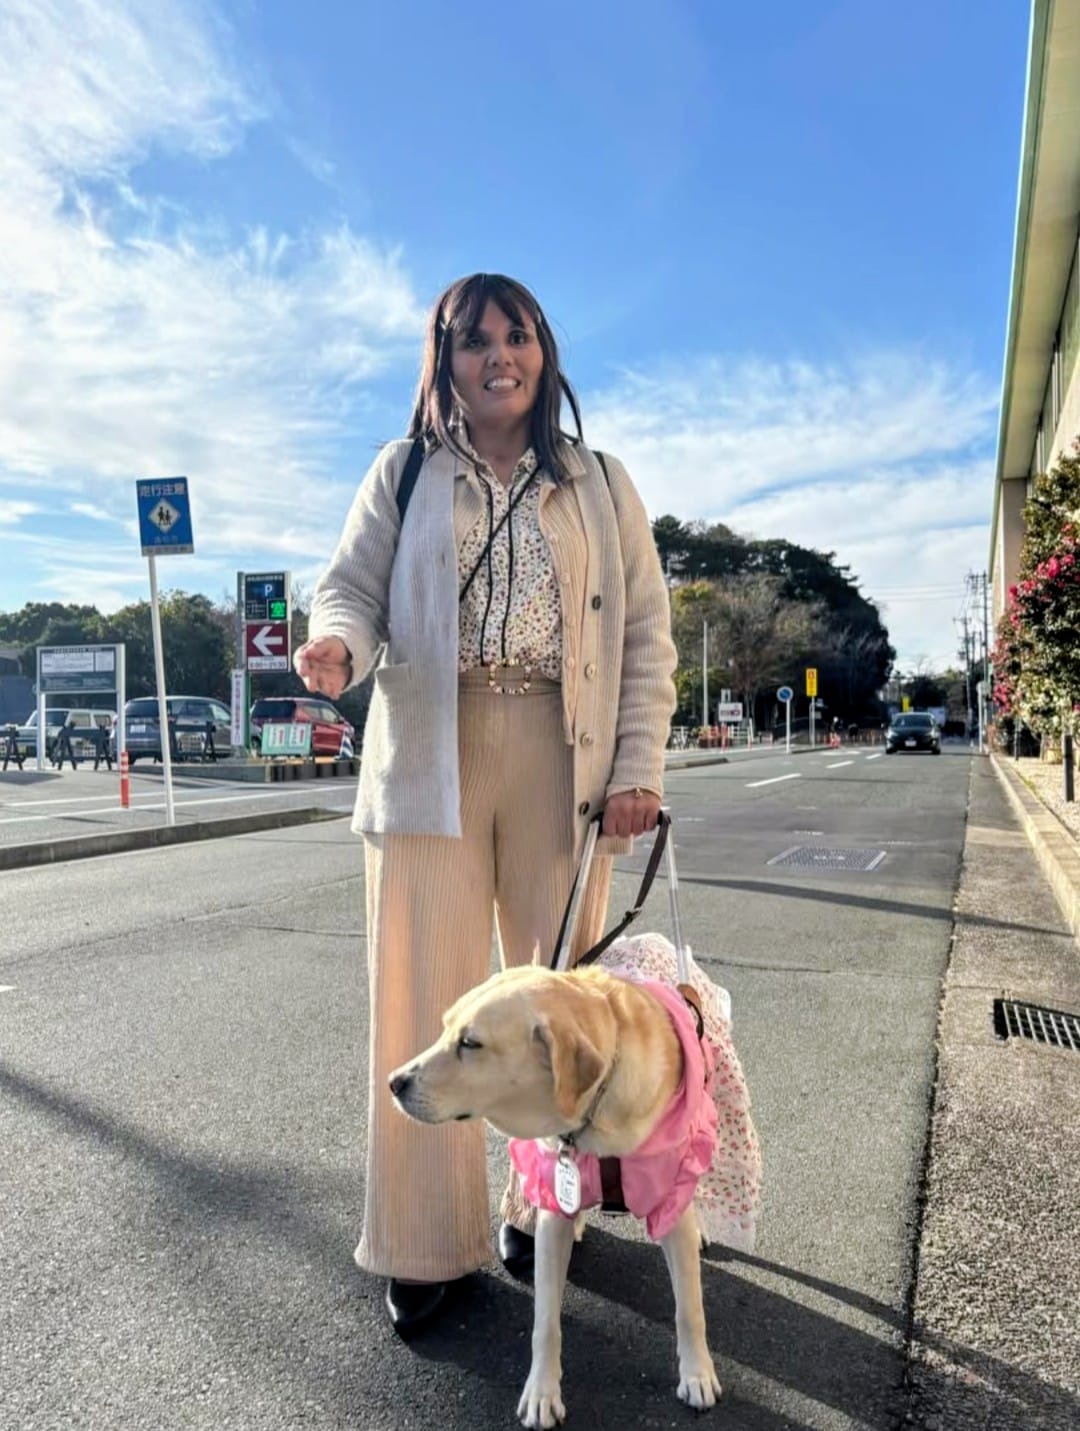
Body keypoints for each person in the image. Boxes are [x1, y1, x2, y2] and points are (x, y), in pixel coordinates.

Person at [294, 273, 677, 1338]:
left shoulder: (600, 482)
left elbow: (645, 633)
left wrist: (638, 766)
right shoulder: (404, 470)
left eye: (516, 337)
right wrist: (335, 648)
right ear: (445, 358)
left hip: (565, 751)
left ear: (544, 353)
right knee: (425, 1000)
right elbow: (351, 589)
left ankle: (545, 1201)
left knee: (558, 1007)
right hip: (429, 749)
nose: (496, 356)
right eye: (473, 341)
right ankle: (423, 1242)